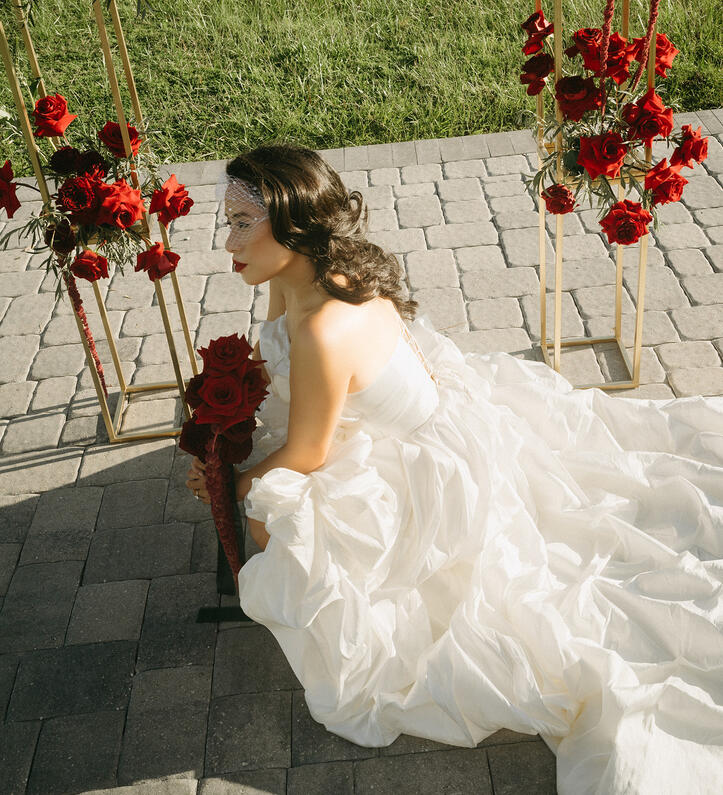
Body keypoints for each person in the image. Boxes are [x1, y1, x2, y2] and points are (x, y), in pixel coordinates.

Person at [186, 143, 723, 794]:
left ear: (293, 225)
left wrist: (231, 480)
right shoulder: (299, 274)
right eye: (228, 221)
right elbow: (275, 359)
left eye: (242, 223)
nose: (227, 242)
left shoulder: (323, 329)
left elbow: (308, 454)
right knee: (280, 501)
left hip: (425, 461)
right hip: (422, 413)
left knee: (282, 514)